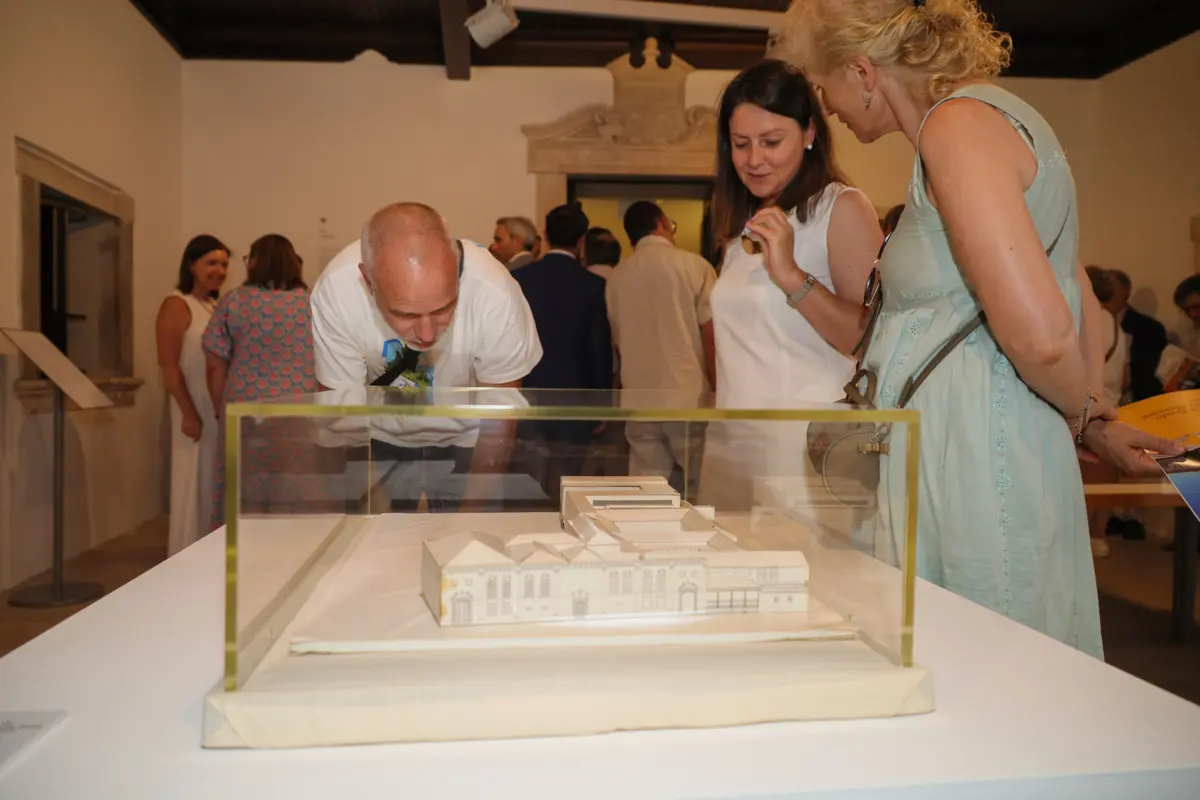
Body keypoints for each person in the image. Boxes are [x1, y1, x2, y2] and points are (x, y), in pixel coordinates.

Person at [772, 0, 1180, 656]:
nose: (829, 106)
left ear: (863, 72)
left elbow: (1044, 333)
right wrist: (1093, 424)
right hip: (967, 446)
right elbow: (1069, 283)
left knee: (990, 666)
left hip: (974, 458)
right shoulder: (974, 125)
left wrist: (1085, 420)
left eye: (825, 86)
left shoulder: (956, 128)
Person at [700, 58, 883, 510]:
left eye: (771, 141)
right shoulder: (743, 226)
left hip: (806, 451)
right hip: (732, 446)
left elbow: (873, 338)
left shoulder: (841, 208)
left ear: (809, 134)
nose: (754, 159)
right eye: (741, 144)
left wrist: (793, 279)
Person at [310, 202, 543, 511]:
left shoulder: (495, 292)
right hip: (376, 439)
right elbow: (343, 419)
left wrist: (469, 518)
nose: (428, 334)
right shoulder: (338, 291)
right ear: (368, 282)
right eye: (405, 314)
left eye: (443, 308)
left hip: (467, 441)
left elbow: (498, 421)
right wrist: (372, 510)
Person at [202, 234, 317, 530]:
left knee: (244, 490)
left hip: (245, 410)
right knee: (294, 488)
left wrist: (220, 409)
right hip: (298, 410)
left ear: (253, 262)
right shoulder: (311, 303)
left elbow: (215, 363)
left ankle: (239, 560)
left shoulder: (235, 301)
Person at [607, 201, 716, 497]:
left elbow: (617, 342)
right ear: (663, 223)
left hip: (638, 397)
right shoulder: (695, 266)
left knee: (645, 487)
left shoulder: (617, 277)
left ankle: (642, 540)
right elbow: (711, 335)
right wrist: (719, 389)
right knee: (699, 484)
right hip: (687, 395)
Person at [512, 203, 613, 490]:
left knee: (528, 484)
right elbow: (598, 348)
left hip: (529, 393)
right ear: (582, 240)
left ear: (544, 234)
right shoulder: (591, 285)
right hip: (576, 398)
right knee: (567, 483)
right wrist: (602, 404)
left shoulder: (521, 280)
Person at [156, 234, 229, 555]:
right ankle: (185, 554)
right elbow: (168, 366)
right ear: (192, 265)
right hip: (193, 406)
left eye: (224, 264)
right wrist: (188, 413)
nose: (219, 270)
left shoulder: (213, 305)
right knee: (192, 484)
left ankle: (209, 553)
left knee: (212, 484)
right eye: (211, 263)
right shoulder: (177, 304)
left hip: (214, 405)